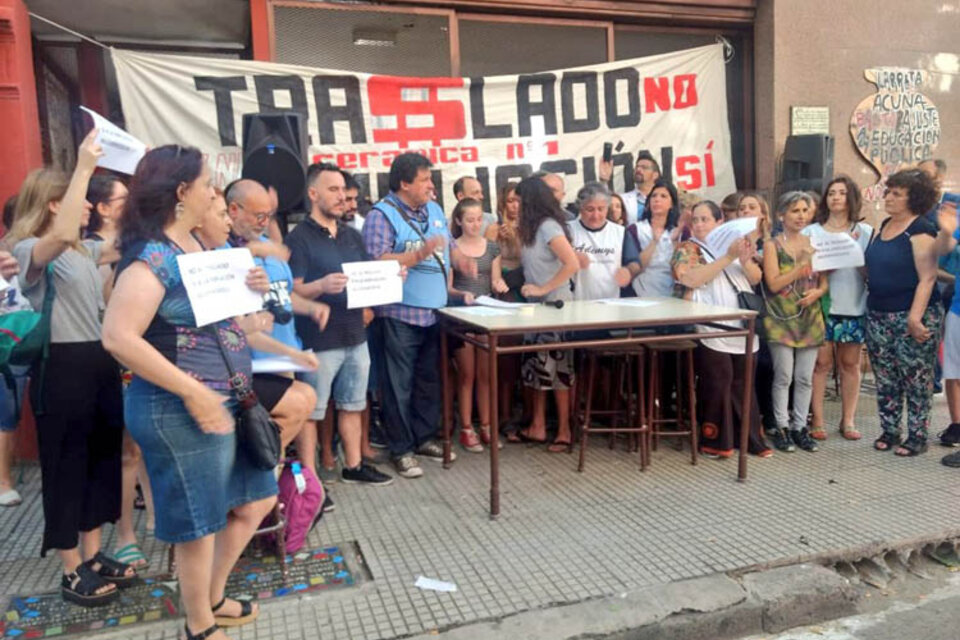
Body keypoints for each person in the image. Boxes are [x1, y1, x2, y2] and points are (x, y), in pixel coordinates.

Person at [103, 145, 278, 640]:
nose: (214, 193)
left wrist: (253, 294)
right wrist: (194, 393)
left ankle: (213, 596)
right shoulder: (153, 255)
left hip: (229, 400)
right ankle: (199, 625)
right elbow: (118, 337)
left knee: (254, 499)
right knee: (199, 523)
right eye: (207, 185)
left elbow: (223, 324)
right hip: (177, 408)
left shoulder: (198, 251)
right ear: (182, 193)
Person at [8, 131, 136, 606]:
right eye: (77, 199)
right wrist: (83, 166)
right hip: (60, 368)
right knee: (66, 466)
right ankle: (70, 567)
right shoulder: (27, 249)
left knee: (101, 459)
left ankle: (95, 553)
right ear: (51, 205)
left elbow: (129, 245)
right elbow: (60, 235)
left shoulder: (84, 251)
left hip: (97, 361)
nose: (87, 207)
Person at [363, 153, 472, 478]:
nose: (430, 185)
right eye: (424, 180)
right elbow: (375, 261)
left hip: (434, 312)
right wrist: (418, 254)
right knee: (398, 385)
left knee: (429, 380)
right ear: (404, 183)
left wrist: (462, 259)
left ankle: (424, 437)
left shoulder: (435, 210)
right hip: (398, 314)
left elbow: (450, 246)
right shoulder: (381, 216)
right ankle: (401, 449)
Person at [286, 164, 393, 487]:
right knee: (312, 410)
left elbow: (365, 277)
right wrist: (320, 286)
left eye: (342, 190)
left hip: (355, 333)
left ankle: (354, 465)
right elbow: (292, 290)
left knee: (353, 403)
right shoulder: (298, 238)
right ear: (313, 194)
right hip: (318, 339)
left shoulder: (352, 235)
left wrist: (388, 282)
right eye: (332, 190)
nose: (341, 196)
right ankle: (310, 479)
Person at [224, 180, 326, 452]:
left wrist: (311, 307)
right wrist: (252, 252)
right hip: (249, 364)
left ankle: (292, 486)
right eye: (259, 216)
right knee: (259, 434)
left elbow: (284, 292)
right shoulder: (222, 252)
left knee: (292, 422)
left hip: (283, 353)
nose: (264, 222)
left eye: (269, 216)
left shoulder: (269, 246)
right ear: (233, 210)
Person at [671, 200, 771, 458]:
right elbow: (690, 277)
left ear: (720, 223)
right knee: (719, 380)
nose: (700, 224)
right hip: (710, 325)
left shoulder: (737, 245)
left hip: (741, 323)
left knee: (743, 381)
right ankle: (717, 440)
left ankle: (749, 439)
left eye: (706, 219)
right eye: (696, 220)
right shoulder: (688, 248)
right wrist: (727, 257)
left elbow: (756, 278)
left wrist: (742, 257)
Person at [864, 169, 943, 457]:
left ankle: (918, 435)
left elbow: (928, 277)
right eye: (889, 191)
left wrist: (915, 317)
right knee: (885, 376)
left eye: (897, 193)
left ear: (914, 198)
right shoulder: (885, 224)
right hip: (879, 313)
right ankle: (890, 429)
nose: (889, 197)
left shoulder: (920, 230)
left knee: (916, 377)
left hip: (911, 314)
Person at [513, 176, 580, 452]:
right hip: (536, 310)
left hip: (556, 307)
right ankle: (538, 426)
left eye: (518, 201)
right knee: (537, 368)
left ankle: (564, 430)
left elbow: (572, 263)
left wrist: (544, 288)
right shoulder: (528, 229)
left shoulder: (549, 227)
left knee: (559, 370)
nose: (514, 206)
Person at [803, 176, 871, 441]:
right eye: (831, 193)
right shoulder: (812, 232)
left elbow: (869, 272)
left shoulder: (864, 232)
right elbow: (806, 270)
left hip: (853, 303)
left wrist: (854, 254)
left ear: (851, 197)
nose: (836, 197)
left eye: (842, 193)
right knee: (820, 363)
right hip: (821, 305)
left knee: (850, 363)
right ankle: (817, 419)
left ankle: (849, 419)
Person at [761, 191, 827, 454]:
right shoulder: (772, 245)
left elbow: (824, 279)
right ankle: (782, 426)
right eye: (795, 211)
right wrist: (800, 265)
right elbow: (774, 282)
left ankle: (801, 427)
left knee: (805, 377)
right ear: (781, 215)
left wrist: (818, 292)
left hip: (809, 315)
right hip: (781, 316)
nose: (800, 216)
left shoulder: (815, 242)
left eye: (804, 210)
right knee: (783, 375)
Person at [447, 198, 508, 452]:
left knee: (486, 375)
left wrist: (500, 286)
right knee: (466, 375)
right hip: (462, 317)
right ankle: (466, 428)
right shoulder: (453, 247)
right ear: (459, 221)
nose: (475, 225)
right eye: (469, 220)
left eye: (479, 220)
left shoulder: (492, 247)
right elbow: (448, 287)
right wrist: (462, 295)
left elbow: (495, 279)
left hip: (486, 316)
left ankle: (486, 425)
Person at [0, 198, 27, 508]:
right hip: (7, 339)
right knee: (6, 412)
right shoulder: (8, 252)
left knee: (13, 410)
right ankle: (4, 480)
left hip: (23, 337)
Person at [569, 182, 631, 301]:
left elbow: (633, 262)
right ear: (580, 208)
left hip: (612, 303)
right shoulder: (568, 230)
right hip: (578, 303)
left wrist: (628, 271)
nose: (596, 215)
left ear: (607, 209)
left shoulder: (620, 232)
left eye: (600, 209)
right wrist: (572, 256)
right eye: (590, 209)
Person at [622, 179, 680, 298]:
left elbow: (682, 270)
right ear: (648, 203)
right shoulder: (635, 230)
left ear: (672, 204)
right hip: (641, 295)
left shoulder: (677, 232)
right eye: (654, 196)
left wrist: (676, 243)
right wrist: (654, 242)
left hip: (671, 297)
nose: (657, 199)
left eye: (663, 196)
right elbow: (634, 268)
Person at [934, 196, 960, 466]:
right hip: (958, 309)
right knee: (954, 372)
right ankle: (956, 424)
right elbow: (943, 248)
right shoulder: (957, 220)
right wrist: (947, 229)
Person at [620, 151, 660, 226]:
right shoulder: (623, 199)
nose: (638, 170)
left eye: (644, 168)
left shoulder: (663, 198)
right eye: (637, 167)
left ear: (655, 175)